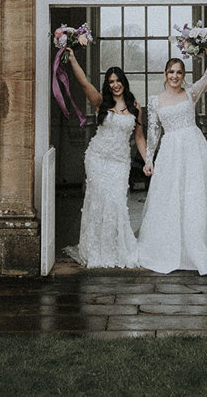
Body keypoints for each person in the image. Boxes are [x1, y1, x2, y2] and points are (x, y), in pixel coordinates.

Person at [137, 48, 207, 274]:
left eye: (179, 72)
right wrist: (148, 160)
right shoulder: (155, 101)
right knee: (170, 196)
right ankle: (169, 246)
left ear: (184, 75)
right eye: (171, 72)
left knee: (194, 194)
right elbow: (153, 134)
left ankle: (197, 245)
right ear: (165, 74)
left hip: (193, 148)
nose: (175, 76)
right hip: (170, 151)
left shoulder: (190, 93)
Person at [66, 53, 153, 268]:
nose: (115, 85)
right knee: (98, 202)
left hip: (119, 161)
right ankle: (95, 249)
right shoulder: (100, 103)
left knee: (115, 203)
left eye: (118, 80)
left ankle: (116, 247)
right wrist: (73, 59)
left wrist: (147, 160)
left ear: (124, 82)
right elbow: (84, 81)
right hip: (97, 157)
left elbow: (139, 137)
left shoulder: (135, 107)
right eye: (111, 81)